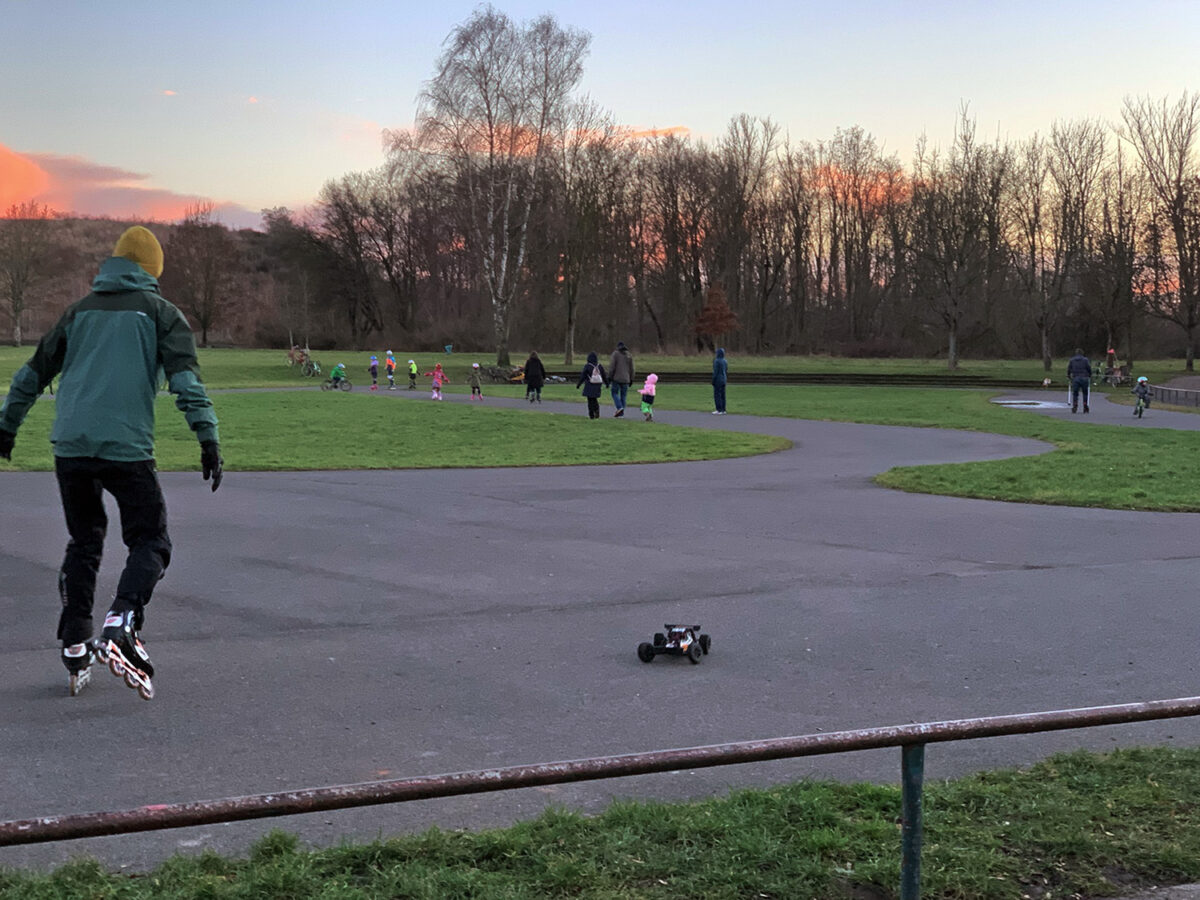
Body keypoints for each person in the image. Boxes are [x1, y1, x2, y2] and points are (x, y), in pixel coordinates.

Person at [0, 225, 221, 699]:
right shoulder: (161, 313)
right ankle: (123, 620)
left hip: (71, 448)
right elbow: (186, 382)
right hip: (126, 448)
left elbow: (31, 374)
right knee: (151, 540)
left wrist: (6, 426)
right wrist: (208, 436)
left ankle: (75, 642)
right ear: (152, 272)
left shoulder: (78, 312)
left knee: (85, 540)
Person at [576, 351, 607, 419]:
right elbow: (604, 375)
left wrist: (578, 384)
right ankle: (597, 410)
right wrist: (607, 383)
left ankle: (591, 414)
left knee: (590, 400)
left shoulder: (587, 366)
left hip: (589, 385)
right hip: (598, 385)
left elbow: (583, 376)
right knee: (594, 399)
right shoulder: (599, 366)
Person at [608, 341, 635, 417]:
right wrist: (631, 378)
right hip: (626, 379)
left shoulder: (615, 354)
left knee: (614, 393)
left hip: (616, 378)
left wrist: (610, 377)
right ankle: (621, 412)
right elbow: (632, 368)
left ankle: (619, 407)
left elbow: (612, 367)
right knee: (623, 396)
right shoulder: (629, 355)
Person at [1066, 348, 1092, 414]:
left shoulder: (1072, 360)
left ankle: (1075, 405)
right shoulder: (1085, 360)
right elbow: (1089, 368)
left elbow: (1069, 369)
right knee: (1085, 393)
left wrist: (1068, 375)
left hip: (1076, 378)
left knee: (1075, 393)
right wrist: (1090, 375)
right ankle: (1085, 405)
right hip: (1084, 377)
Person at [711, 347, 728, 415]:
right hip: (724, 379)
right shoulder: (725, 361)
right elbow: (726, 370)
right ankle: (723, 409)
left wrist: (713, 380)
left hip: (718, 379)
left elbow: (715, 372)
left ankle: (719, 409)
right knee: (723, 395)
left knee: (717, 395)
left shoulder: (717, 361)